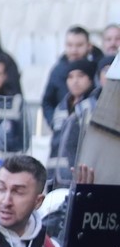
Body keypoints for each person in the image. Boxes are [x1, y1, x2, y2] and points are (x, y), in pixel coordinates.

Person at [48, 58, 97, 187]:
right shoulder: (60, 107)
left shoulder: (93, 108)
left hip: (78, 176)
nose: (75, 81)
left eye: (81, 76)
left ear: (90, 79)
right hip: (54, 176)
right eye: (70, 77)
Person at [40, 25, 101, 126]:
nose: (74, 50)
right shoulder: (57, 70)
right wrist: (54, 123)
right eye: (70, 45)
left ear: (89, 46)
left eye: (79, 45)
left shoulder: (98, 68)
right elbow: (47, 101)